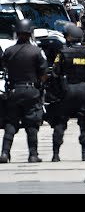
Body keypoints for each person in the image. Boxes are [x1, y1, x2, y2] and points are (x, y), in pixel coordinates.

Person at [45, 23, 85, 162]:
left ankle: (56, 155)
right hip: (84, 90)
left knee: (60, 122)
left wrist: (55, 94)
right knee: (84, 122)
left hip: (67, 90)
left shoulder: (63, 53)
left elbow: (55, 75)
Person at [0, 19, 48, 163]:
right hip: (31, 90)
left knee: (11, 122)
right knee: (31, 123)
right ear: (30, 33)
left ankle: (4, 153)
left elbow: (3, 67)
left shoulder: (9, 51)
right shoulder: (36, 52)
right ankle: (33, 154)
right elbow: (44, 73)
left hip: (14, 91)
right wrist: (40, 85)